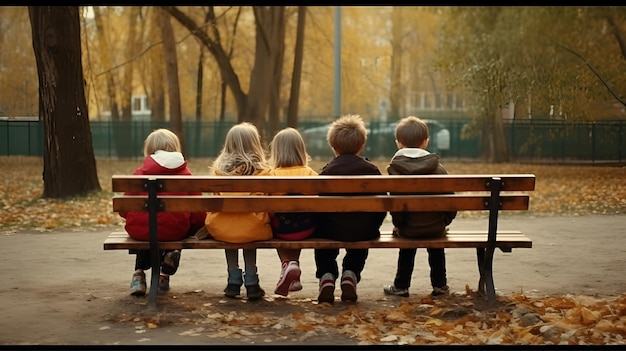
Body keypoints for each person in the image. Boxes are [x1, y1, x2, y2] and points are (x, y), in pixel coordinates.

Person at [119, 128, 206, 297]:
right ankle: (167, 267)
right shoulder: (186, 175)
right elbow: (198, 212)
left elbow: (124, 210)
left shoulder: (140, 173)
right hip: (175, 231)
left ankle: (138, 275)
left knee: (148, 226)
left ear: (149, 149)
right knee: (174, 227)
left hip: (141, 231)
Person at [313, 114, 386, 304]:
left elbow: (316, 208)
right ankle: (351, 273)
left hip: (330, 231)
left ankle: (327, 276)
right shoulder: (372, 171)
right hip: (364, 231)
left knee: (323, 241)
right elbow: (382, 206)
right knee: (360, 236)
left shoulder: (326, 173)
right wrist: (372, 225)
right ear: (361, 145)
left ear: (333, 147)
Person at [382, 116, 457, 298]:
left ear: (398, 143)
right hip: (436, 228)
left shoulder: (395, 171)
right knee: (436, 244)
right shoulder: (439, 170)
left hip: (408, 229)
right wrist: (443, 221)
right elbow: (451, 204)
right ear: (426, 142)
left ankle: (401, 286)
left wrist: (399, 225)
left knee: (407, 241)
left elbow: (396, 208)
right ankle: (440, 286)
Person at [204, 122, 272, 301]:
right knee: (248, 225)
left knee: (229, 224)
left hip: (222, 229)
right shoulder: (263, 172)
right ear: (255, 144)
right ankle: (251, 282)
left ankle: (233, 280)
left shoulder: (218, 172)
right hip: (253, 228)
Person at [267, 127, 319, 297]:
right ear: (300, 150)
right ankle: (294, 267)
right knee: (300, 220)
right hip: (307, 229)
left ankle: (286, 265)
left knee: (277, 223)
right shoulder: (311, 174)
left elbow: (269, 210)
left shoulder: (271, 175)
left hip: (281, 231)